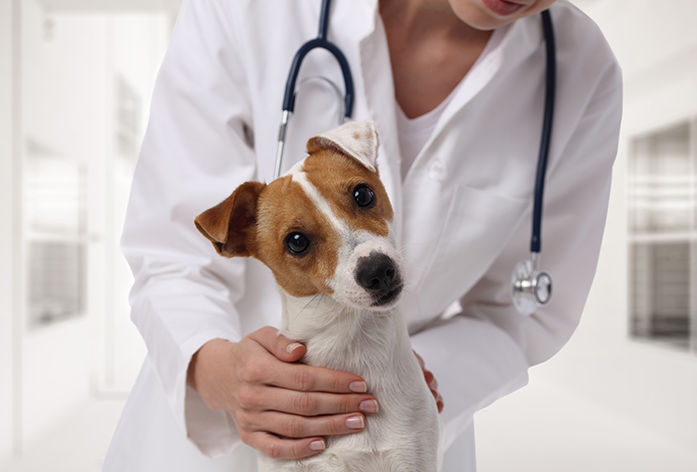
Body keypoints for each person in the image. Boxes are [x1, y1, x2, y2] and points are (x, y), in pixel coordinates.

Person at [103, 0, 622, 470]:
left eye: (362, 197)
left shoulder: (581, 69)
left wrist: (412, 380)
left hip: (410, 427)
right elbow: (170, 253)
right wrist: (219, 371)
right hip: (218, 429)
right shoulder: (248, 10)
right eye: (300, 242)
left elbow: (531, 308)